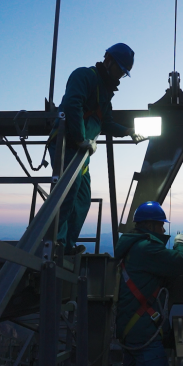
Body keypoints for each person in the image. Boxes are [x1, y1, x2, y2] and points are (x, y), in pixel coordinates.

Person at [48, 43, 144, 254]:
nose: (120, 76)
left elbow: (106, 123)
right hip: (66, 145)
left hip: (83, 153)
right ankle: (54, 243)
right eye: (120, 70)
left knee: (82, 197)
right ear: (108, 61)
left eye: (123, 73)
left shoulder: (105, 95)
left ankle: (67, 244)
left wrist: (128, 131)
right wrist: (81, 138)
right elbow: (73, 104)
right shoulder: (84, 76)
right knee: (68, 191)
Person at [114, 201, 183, 366]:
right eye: (161, 225)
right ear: (150, 225)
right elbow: (179, 263)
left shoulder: (134, 246)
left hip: (131, 331)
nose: (164, 231)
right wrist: (181, 244)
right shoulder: (146, 248)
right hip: (144, 334)